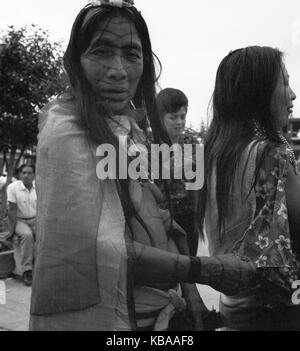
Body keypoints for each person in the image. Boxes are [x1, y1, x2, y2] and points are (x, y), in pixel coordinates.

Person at [30, 1, 258, 331]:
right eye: (101, 51)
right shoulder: (67, 133)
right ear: (75, 63)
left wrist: (189, 289)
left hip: (160, 303)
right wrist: (202, 269)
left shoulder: (130, 132)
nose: (119, 70)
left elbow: (159, 216)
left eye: (132, 54)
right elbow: (98, 250)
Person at [198, 46, 300, 330]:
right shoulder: (272, 154)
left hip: (233, 305)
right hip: (280, 308)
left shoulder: (212, 154)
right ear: (259, 91)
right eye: (285, 82)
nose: (292, 95)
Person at [156, 88, 200, 255]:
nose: (180, 122)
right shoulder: (149, 144)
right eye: (173, 117)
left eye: (183, 117)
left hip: (189, 214)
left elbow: (198, 180)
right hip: (163, 217)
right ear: (160, 119)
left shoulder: (191, 142)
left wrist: (198, 215)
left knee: (190, 263)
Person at [7, 164, 36, 286]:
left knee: (47, 235)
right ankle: (27, 271)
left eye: (29, 173)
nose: (26, 175)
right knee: (27, 235)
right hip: (20, 220)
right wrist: (11, 230)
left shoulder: (39, 186)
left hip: (36, 219)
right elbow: (12, 210)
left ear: (34, 175)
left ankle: (43, 268)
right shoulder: (13, 187)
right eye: (24, 172)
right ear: (19, 174)